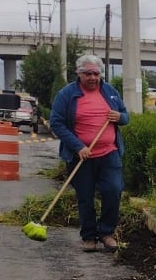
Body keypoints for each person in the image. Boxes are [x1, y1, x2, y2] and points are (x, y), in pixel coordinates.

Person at [49, 55, 131, 252]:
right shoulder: (67, 94)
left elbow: (126, 116)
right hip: (81, 156)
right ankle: (89, 237)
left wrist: (120, 117)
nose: (93, 78)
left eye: (96, 73)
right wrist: (78, 146)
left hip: (109, 153)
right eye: (88, 74)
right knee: (85, 197)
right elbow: (57, 123)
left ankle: (107, 233)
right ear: (78, 73)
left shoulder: (109, 91)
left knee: (113, 190)